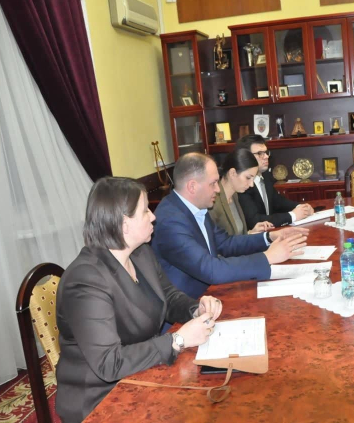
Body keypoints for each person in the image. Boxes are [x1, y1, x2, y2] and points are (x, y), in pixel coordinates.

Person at [56, 177, 223, 423]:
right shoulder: (85, 280)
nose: (153, 216)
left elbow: (168, 296)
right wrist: (178, 340)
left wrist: (195, 309)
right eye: (145, 210)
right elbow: (108, 363)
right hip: (101, 399)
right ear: (124, 225)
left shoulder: (141, 253)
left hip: (144, 372)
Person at [152, 152, 308, 299]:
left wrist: (269, 237)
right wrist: (267, 257)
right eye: (213, 183)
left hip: (211, 295)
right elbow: (211, 269)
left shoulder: (197, 207)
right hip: (188, 308)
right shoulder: (170, 221)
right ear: (192, 186)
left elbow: (225, 243)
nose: (218, 189)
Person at [236, 135, 314, 229]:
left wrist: (301, 207)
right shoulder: (243, 183)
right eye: (260, 153)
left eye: (266, 152)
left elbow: (278, 201)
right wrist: (292, 216)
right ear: (246, 156)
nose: (266, 156)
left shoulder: (265, 175)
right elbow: (254, 220)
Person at [209, 148, 274, 235]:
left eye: (253, 179)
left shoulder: (234, 195)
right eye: (248, 178)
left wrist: (251, 233)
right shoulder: (213, 203)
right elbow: (220, 245)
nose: (251, 184)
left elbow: (236, 236)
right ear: (232, 173)